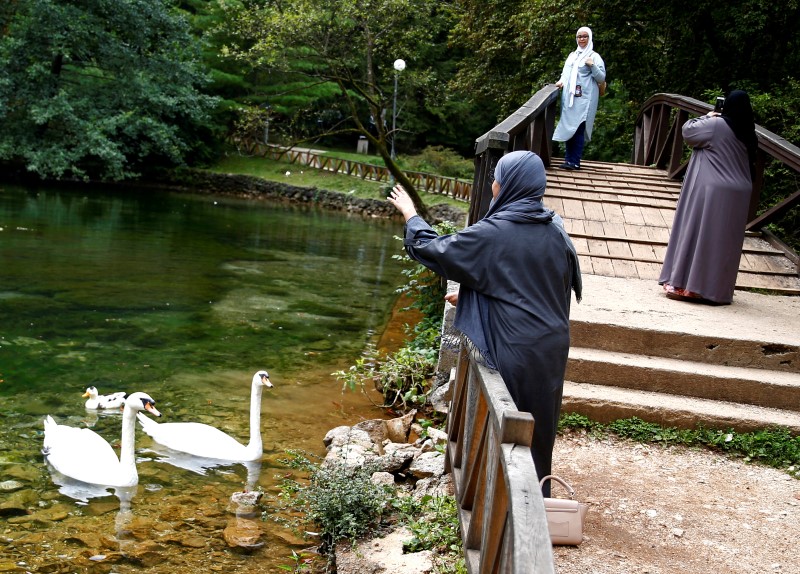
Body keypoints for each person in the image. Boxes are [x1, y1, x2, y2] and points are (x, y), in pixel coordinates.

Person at [387, 150, 582, 496]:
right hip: (552, 343)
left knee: (507, 422)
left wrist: (411, 214)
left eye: (497, 178)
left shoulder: (495, 232)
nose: (492, 184)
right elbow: (535, 284)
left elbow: (433, 249)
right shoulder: (554, 227)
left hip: (516, 343)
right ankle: (535, 496)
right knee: (538, 425)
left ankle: (507, 510)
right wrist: (475, 296)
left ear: (507, 186)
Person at [659, 90, 758, 305]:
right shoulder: (748, 131)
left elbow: (688, 132)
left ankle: (691, 288)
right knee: (724, 243)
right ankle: (718, 292)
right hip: (740, 192)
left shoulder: (717, 125)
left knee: (702, 236)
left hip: (713, 190)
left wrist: (709, 115)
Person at [553, 26, 606, 170]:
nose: (582, 39)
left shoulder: (594, 56)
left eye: (585, 36)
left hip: (585, 99)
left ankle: (575, 161)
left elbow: (601, 78)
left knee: (578, 129)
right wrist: (560, 82)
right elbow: (565, 74)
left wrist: (592, 66)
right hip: (570, 99)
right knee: (570, 128)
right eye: (579, 36)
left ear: (589, 38)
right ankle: (568, 160)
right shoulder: (573, 55)